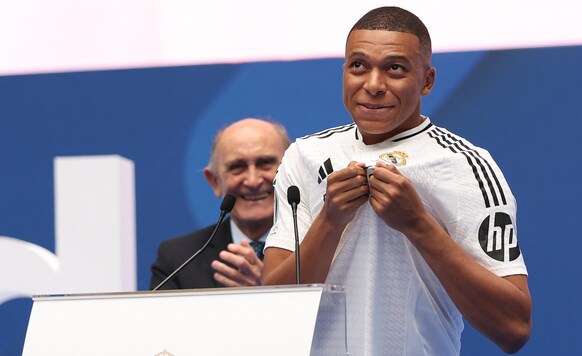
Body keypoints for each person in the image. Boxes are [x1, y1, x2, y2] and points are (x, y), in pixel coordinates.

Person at [263, 6, 532, 355]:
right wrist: (330, 220)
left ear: (427, 81)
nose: (373, 85)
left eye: (395, 69)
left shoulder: (466, 164)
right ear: (344, 72)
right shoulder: (305, 155)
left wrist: (419, 224)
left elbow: (514, 327)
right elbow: (274, 309)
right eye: (358, 66)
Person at [151, 118, 290, 290]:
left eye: (265, 164)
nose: (253, 181)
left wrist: (268, 290)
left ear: (292, 171)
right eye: (237, 167)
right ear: (214, 181)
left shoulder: (321, 247)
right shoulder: (178, 259)